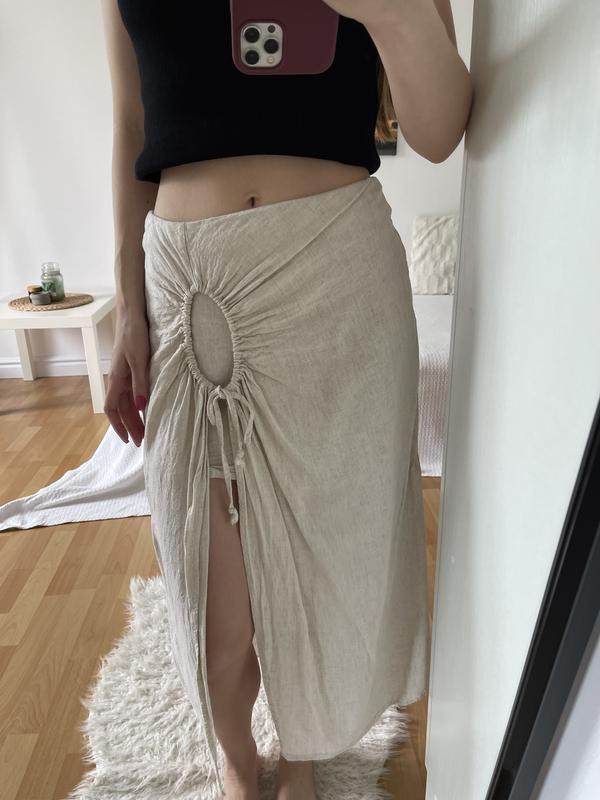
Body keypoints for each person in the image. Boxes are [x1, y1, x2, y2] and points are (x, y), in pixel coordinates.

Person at [100, 1, 472, 797]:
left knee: (322, 560)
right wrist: (128, 307)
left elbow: (441, 132)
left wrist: (389, 13)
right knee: (210, 592)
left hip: (334, 274)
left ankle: (301, 753)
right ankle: (237, 761)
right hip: (188, 285)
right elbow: (131, 126)